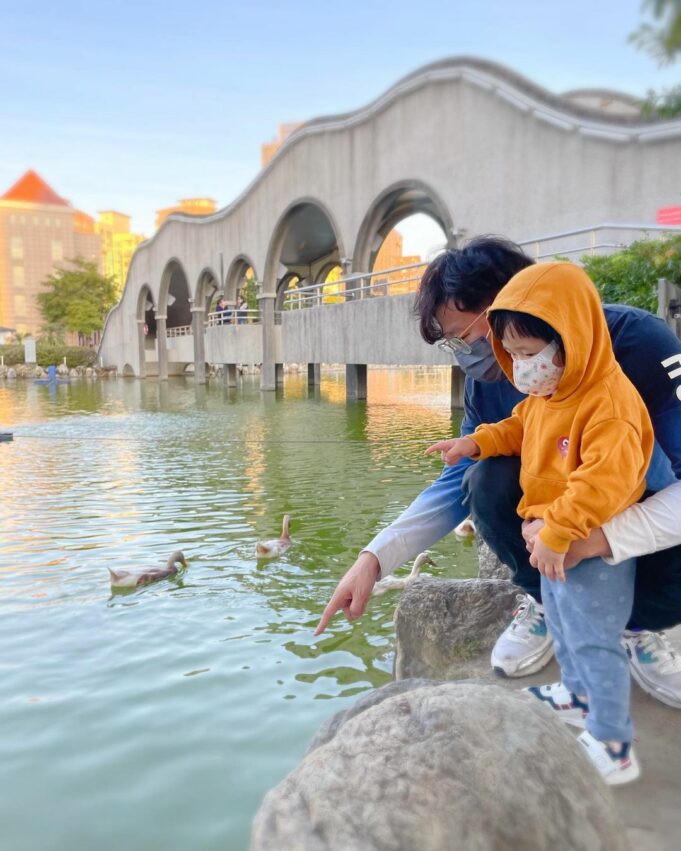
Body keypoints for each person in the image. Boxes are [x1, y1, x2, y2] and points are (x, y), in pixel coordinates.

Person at [315, 236, 681, 713]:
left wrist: (599, 540)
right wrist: (375, 559)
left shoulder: (641, 345)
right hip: (553, 532)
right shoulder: (490, 381)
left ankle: (638, 627)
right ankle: (545, 601)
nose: (465, 354)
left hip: (629, 516)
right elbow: (460, 480)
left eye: (462, 337)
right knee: (485, 479)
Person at [426, 262, 653, 783]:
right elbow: (516, 428)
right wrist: (474, 443)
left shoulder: (609, 404)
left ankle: (613, 743)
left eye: (529, 353)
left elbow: (603, 483)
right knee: (564, 623)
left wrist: (557, 531)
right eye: (514, 354)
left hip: (585, 547)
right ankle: (575, 695)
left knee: (595, 638)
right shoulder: (547, 395)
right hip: (550, 542)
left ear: (570, 340)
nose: (522, 367)